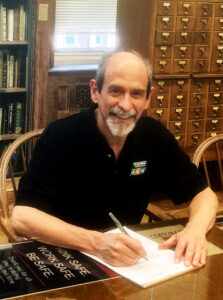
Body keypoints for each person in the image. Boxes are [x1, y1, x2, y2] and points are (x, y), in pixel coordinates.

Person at [12, 50, 218, 268]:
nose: (126, 105)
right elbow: (22, 217)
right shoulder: (60, 136)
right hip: (64, 257)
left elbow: (204, 194)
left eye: (136, 94)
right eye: (115, 91)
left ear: (148, 98)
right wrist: (96, 242)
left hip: (129, 265)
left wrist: (194, 230)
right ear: (95, 91)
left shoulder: (154, 136)